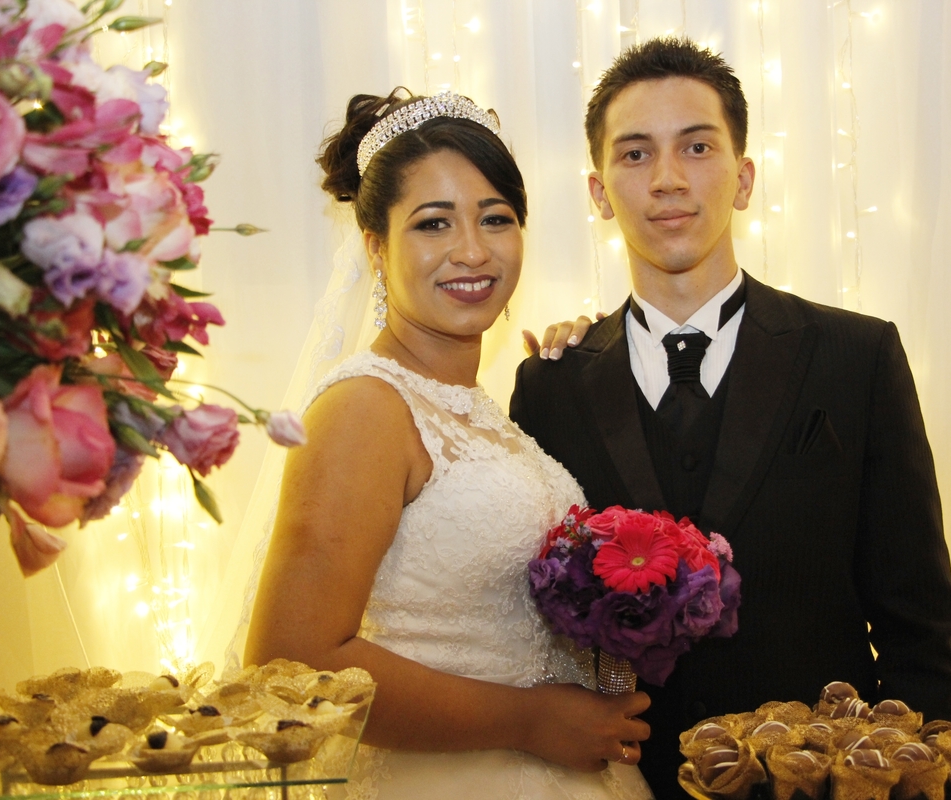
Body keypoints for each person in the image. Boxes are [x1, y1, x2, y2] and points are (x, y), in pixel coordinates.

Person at [510, 38, 951, 799]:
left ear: (744, 177)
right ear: (598, 192)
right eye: (634, 154)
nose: (666, 180)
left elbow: (919, 620)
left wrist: (895, 778)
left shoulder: (858, 356)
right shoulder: (549, 385)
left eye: (696, 146)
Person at [243, 89, 653, 800]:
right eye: (433, 224)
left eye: (496, 219)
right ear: (376, 247)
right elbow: (294, 663)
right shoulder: (363, 407)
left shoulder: (488, 412)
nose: (472, 250)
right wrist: (528, 720)